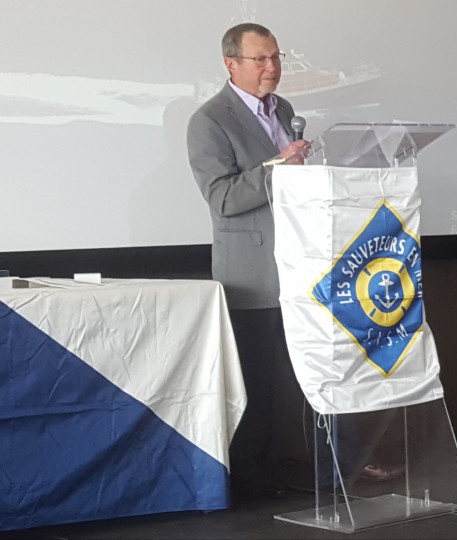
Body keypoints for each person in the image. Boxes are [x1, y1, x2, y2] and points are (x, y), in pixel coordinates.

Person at [186, 22, 309, 497]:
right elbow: (221, 197)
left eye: (276, 57)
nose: (272, 68)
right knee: (255, 384)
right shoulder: (210, 120)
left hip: (299, 266)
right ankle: (250, 483)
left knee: (299, 377)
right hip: (252, 276)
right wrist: (278, 169)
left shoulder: (287, 110)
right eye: (261, 60)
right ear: (231, 64)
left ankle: (301, 468)